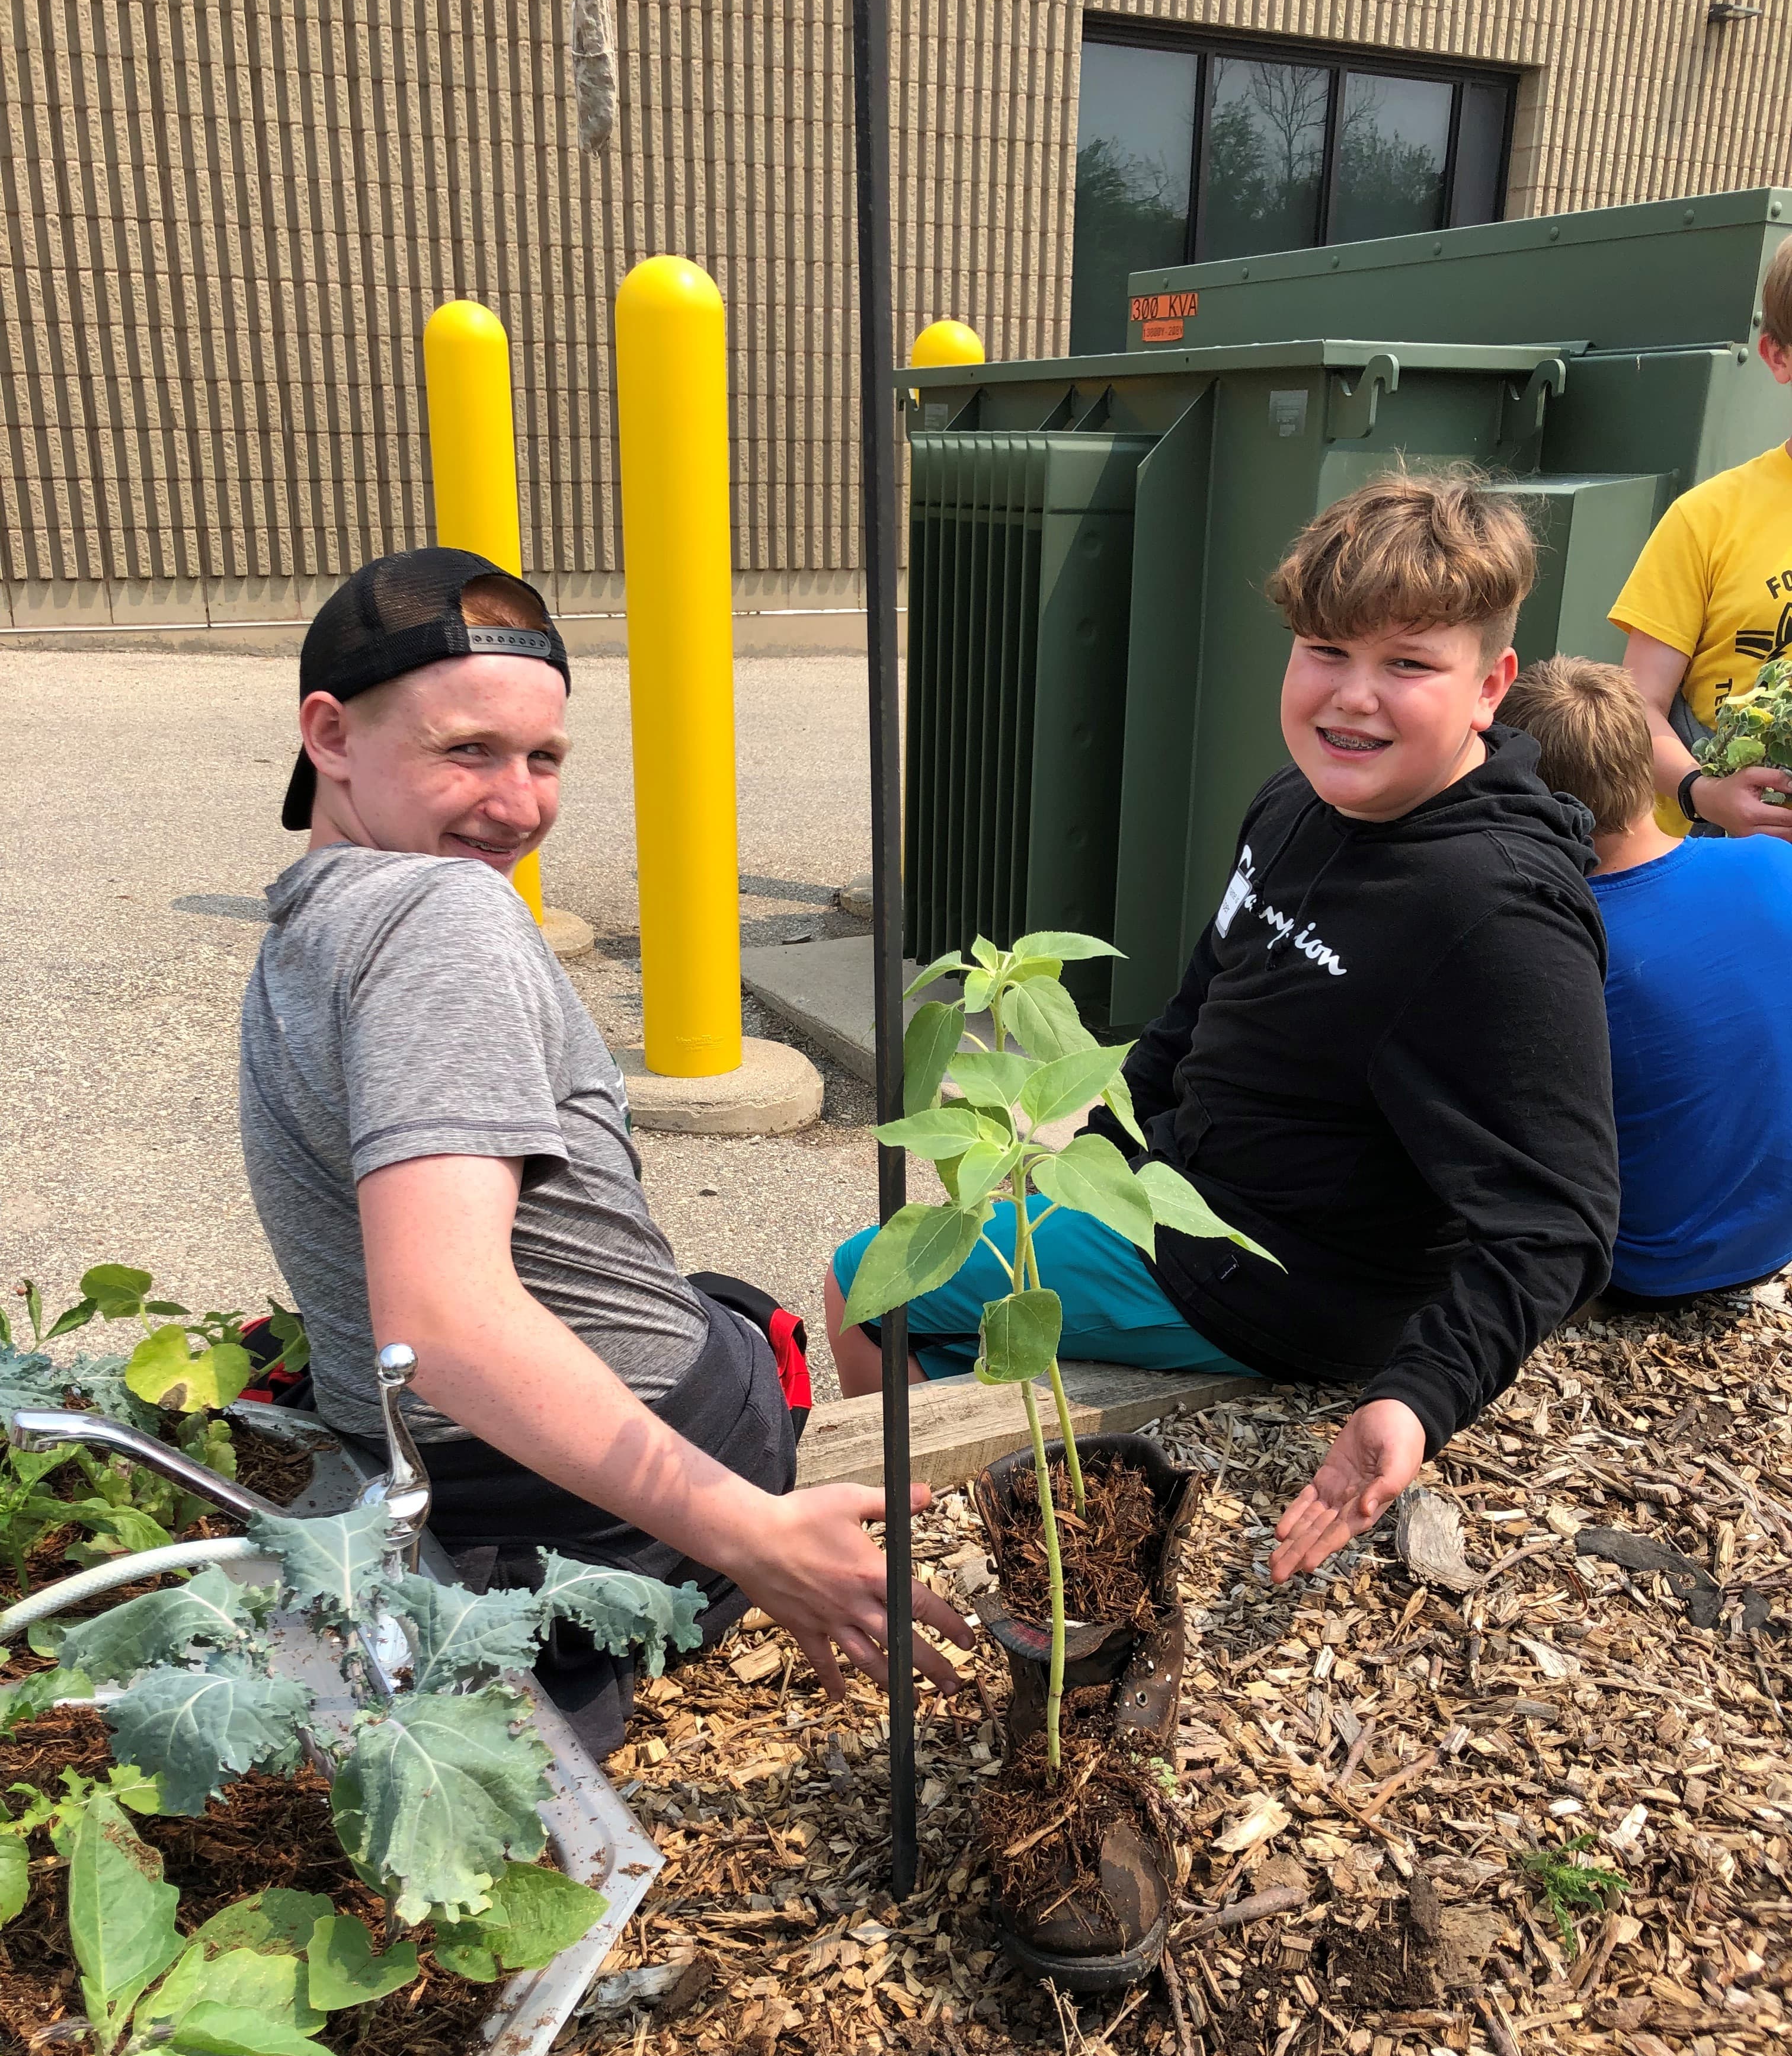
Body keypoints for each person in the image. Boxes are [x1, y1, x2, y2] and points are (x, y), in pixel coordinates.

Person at [239, 546, 972, 1754]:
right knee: (752, 1332)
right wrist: (752, 1536)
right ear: (329, 734)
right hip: (604, 1488)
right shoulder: (444, 916)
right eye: (468, 750)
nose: (518, 805)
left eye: (544, 758)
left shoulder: (308, 915)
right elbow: (442, 1325)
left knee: (726, 1305)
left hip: (428, 1471)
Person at [826, 472, 1620, 1583]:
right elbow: (1200, 1004)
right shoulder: (1296, 800)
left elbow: (1561, 1217)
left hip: (1280, 1277)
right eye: (1324, 651)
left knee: (867, 1281)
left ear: (1490, 685)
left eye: (1407, 664)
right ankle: (998, 1502)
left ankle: (925, 1544)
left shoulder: (1491, 911)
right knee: (966, 1278)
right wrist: (1097, 1144)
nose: (1353, 698)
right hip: (1186, 1193)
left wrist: (1418, 1395)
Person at [1502, 654, 1792, 1304]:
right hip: (1774, 1240)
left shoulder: (1558, 939)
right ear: (1644, 765)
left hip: (1647, 1261)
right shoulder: (1773, 862)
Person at [1608, 234, 1792, 842]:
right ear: (1778, 356)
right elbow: (1637, 706)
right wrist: (1703, 792)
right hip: (1720, 860)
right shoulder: (1707, 518)